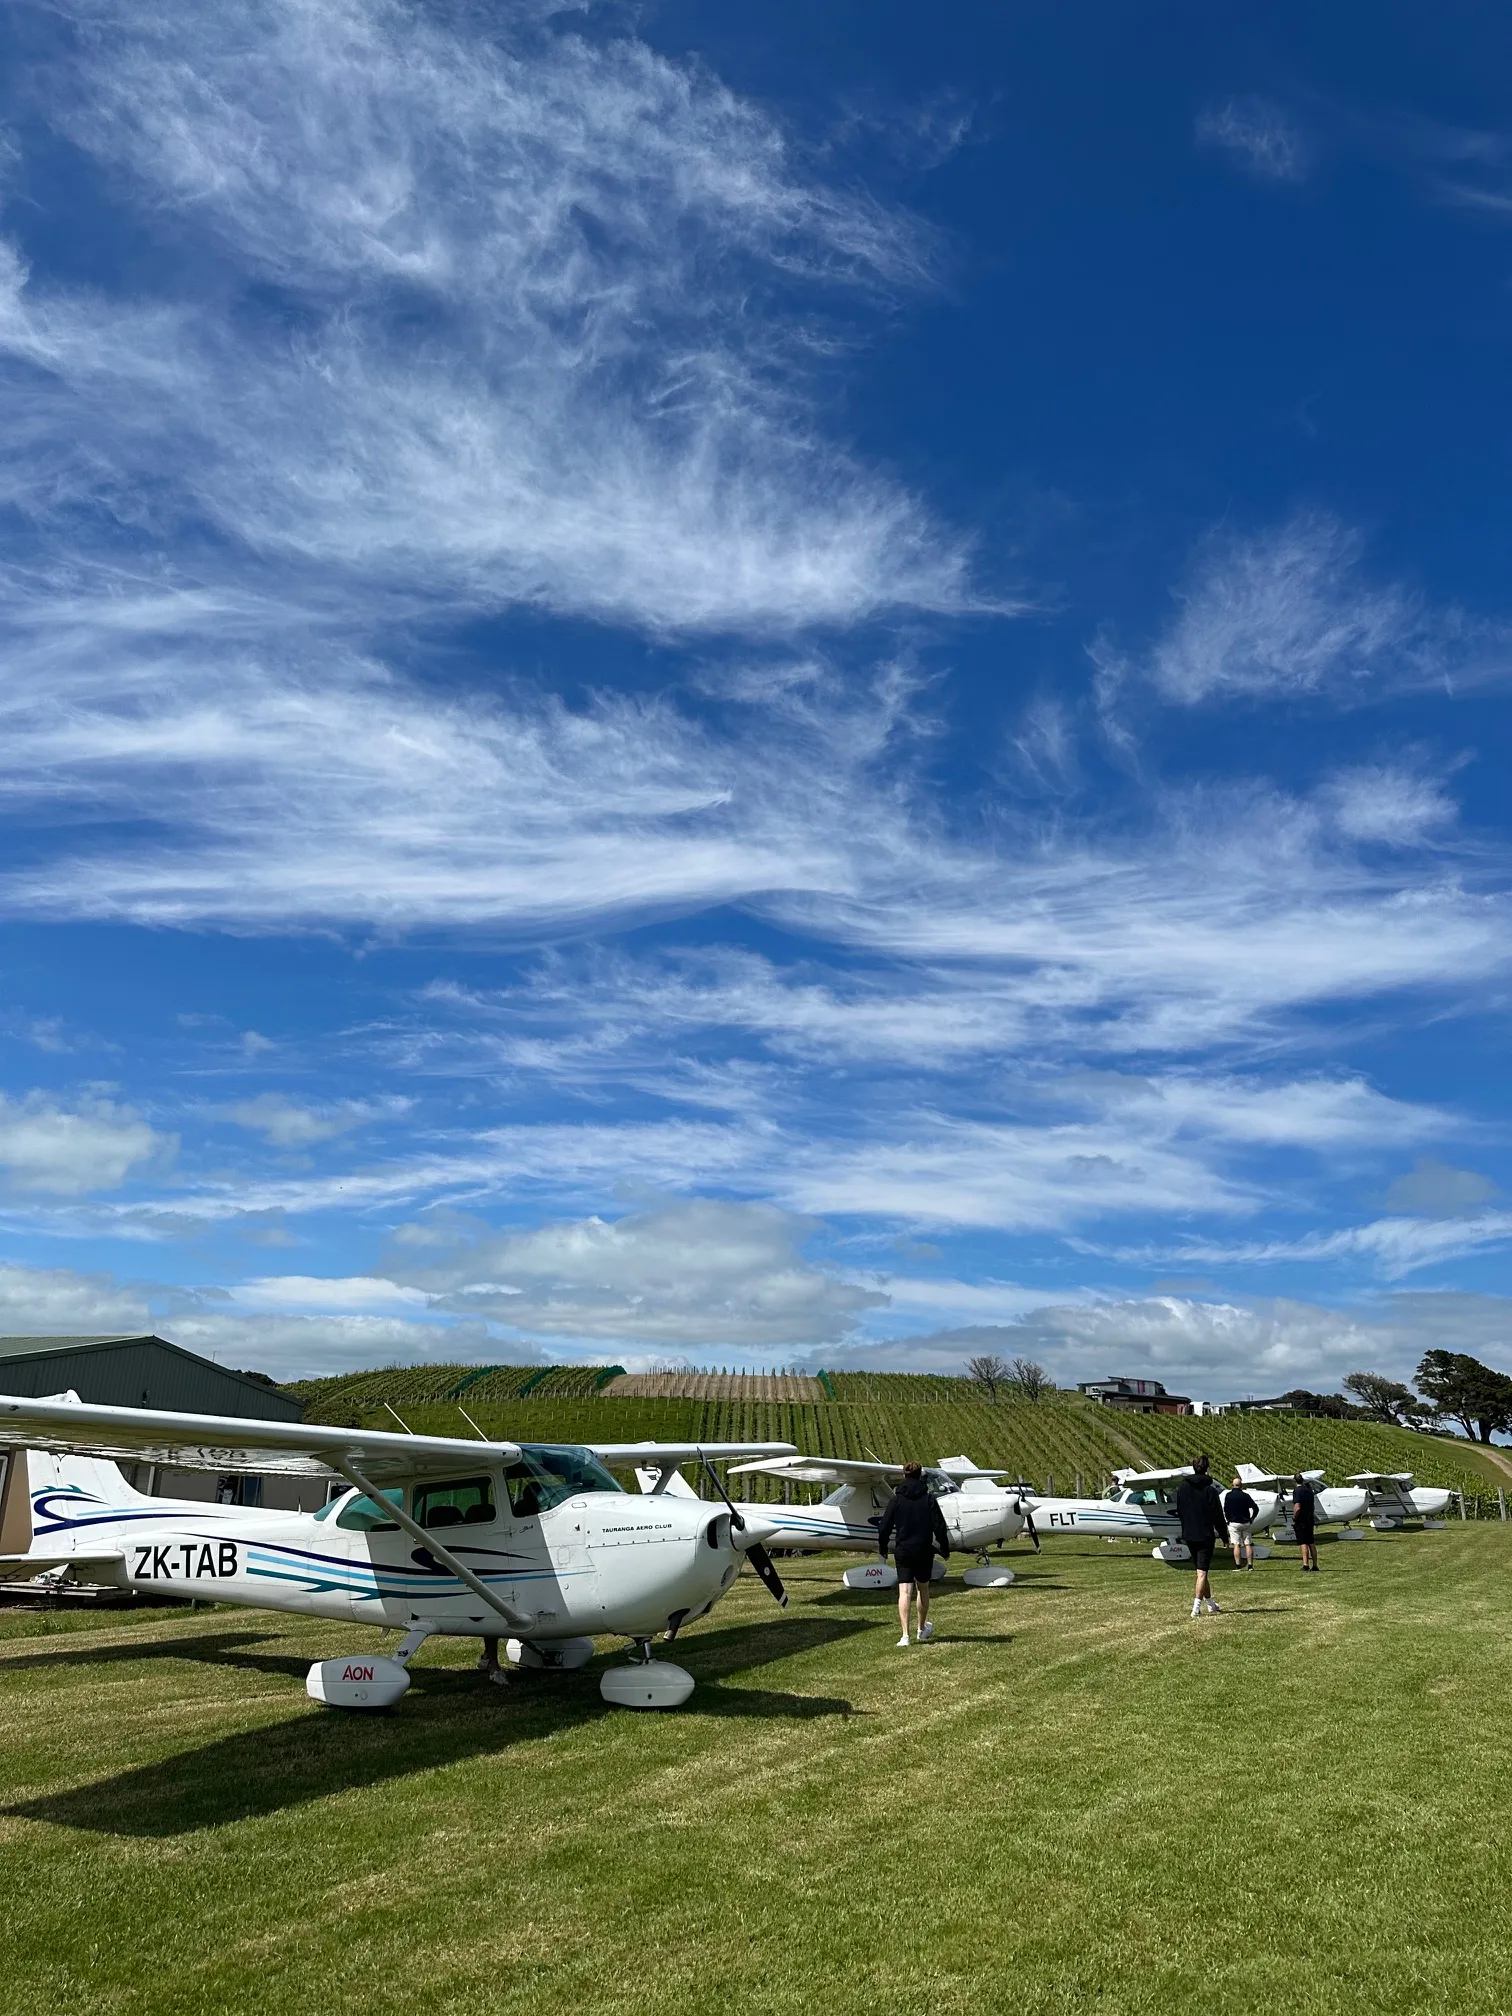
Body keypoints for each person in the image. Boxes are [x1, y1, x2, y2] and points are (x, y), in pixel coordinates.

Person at [877, 1461, 951, 1646]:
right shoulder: (929, 1499)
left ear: (904, 1475)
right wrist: (944, 1548)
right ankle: (921, 1629)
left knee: (904, 1590)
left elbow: (884, 1526)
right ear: (921, 1476)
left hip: (903, 1550)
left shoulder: (896, 1500)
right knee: (922, 1588)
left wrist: (883, 1548)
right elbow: (939, 1526)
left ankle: (905, 1636)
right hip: (924, 1549)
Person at [1174, 1455, 1227, 1618]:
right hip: (1205, 1535)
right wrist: (1224, 1536)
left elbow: (1180, 1510)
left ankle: (1211, 1603)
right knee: (1202, 1572)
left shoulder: (1182, 1488)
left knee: (1201, 1571)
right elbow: (1218, 1515)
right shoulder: (1210, 1490)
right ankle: (1196, 1607)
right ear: (1207, 1468)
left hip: (1189, 1534)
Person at [1223, 1474, 1259, 1571]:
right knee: (1248, 1544)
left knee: (1236, 1544)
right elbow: (1256, 1508)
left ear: (1232, 1485)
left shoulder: (1228, 1496)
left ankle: (1238, 1566)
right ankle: (1250, 1566)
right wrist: (1252, 1518)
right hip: (1245, 1522)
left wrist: (1228, 1519)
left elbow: (1226, 1509)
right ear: (1241, 1485)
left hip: (1234, 1523)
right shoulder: (1245, 1496)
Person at [1291, 1472, 1319, 1573]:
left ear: (1294, 1481)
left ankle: (1306, 1565)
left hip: (1301, 1520)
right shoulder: (1309, 1491)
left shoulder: (1297, 1491)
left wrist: (1294, 1517)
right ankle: (1315, 1565)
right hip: (1310, 1518)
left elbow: (1297, 1507)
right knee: (1311, 1542)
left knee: (1303, 1543)